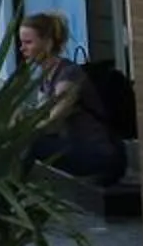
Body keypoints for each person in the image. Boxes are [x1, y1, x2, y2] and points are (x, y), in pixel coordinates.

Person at [18, 12, 126, 184]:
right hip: (76, 149)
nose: (22, 49)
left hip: (100, 155)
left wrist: (19, 134)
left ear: (47, 43)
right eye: (22, 43)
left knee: (31, 143)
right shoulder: (45, 78)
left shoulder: (69, 75)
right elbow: (40, 115)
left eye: (28, 42)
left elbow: (53, 122)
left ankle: (8, 198)